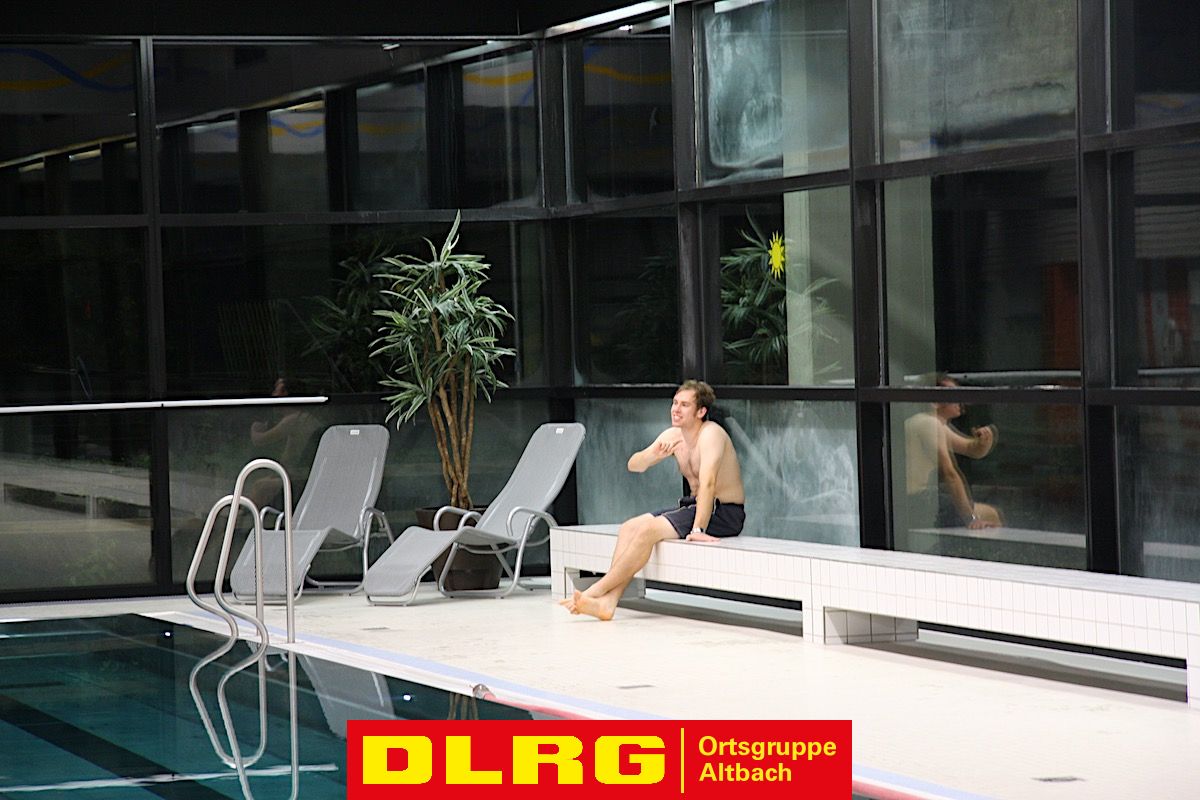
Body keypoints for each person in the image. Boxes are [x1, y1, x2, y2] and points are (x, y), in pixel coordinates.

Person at [561, 379, 745, 621]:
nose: (676, 409)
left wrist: (698, 529)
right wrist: (654, 455)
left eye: (685, 405)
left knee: (648, 530)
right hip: (693, 506)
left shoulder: (711, 434)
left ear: (701, 411)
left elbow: (708, 482)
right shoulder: (674, 435)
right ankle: (608, 602)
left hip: (722, 512)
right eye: (675, 403)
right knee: (629, 528)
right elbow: (634, 465)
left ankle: (596, 591)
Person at [904, 374, 1001, 530]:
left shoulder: (931, 423)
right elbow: (950, 474)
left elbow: (971, 449)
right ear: (935, 403)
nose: (959, 400)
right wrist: (970, 518)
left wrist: (985, 440)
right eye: (952, 395)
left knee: (983, 504)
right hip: (919, 502)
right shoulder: (929, 424)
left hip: (914, 499)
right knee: (992, 514)